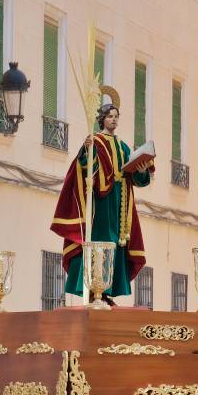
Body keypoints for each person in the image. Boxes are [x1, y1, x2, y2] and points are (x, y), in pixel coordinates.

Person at [49, 100, 153, 299]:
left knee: (119, 243)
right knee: (102, 241)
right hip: (102, 203)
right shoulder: (95, 141)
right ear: (102, 119)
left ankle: (109, 291)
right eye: (110, 116)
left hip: (122, 203)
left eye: (116, 116)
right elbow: (85, 167)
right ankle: (97, 290)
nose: (113, 120)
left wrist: (141, 169)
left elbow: (136, 178)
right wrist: (88, 152)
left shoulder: (123, 147)